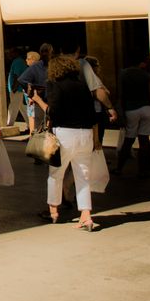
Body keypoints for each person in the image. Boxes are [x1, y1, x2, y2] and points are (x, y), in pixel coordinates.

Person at [30, 55, 101, 230]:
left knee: (56, 173)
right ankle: (86, 215)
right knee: (83, 176)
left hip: (65, 134)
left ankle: (53, 210)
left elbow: (53, 112)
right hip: (85, 134)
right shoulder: (82, 86)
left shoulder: (54, 85)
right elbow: (92, 114)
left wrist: (38, 100)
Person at [114, 53, 150, 176]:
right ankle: (143, 170)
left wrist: (120, 112)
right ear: (141, 62)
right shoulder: (147, 75)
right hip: (147, 109)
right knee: (144, 141)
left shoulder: (123, 74)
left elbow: (121, 95)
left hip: (131, 110)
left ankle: (119, 168)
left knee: (128, 140)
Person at [18, 44, 52, 135]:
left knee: (41, 129)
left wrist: (31, 93)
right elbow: (21, 80)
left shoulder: (38, 66)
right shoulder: (38, 66)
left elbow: (22, 80)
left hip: (42, 101)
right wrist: (32, 94)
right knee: (41, 129)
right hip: (42, 101)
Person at [6, 47, 28, 126]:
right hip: (18, 89)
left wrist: (14, 87)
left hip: (17, 89)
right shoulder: (19, 61)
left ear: (16, 53)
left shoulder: (17, 61)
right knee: (22, 108)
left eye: (11, 52)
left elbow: (17, 76)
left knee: (13, 107)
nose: (9, 54)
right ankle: (31, 125)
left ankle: (9, 124)